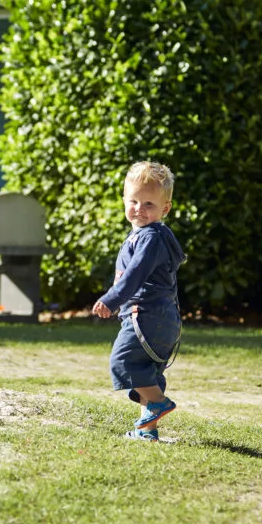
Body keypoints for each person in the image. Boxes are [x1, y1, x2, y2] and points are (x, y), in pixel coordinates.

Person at [92, 161, 186, 442]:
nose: (139, 209)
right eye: (133, 201)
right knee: (147, 371)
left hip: (147, 316)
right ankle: (147, 431)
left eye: (148, 204)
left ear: (164, 209)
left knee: (123, 362)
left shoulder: (150, 238)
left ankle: (158, 403)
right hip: (162, 318)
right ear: (124, 200)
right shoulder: (150, 235)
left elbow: (135, 275)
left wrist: (112, 299)